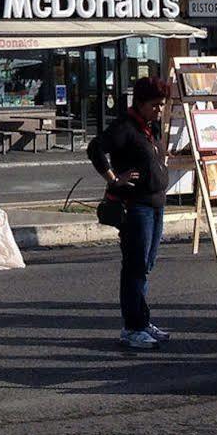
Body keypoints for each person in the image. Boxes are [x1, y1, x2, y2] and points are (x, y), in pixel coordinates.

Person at [88, 76, 174, 350]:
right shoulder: (125, 127)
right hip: (136, 206)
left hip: (156, 203)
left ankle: (142, 320)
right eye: (155, 105)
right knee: (135, 266)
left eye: (162, 105)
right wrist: (114, 178)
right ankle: (132, 326)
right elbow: (96, 148)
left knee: (146, 266)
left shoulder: (153, 126)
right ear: (140, 103)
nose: (159, 110)